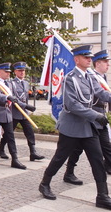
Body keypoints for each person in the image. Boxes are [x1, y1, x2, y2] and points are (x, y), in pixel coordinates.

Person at [39, 45, 111, 210]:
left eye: (90, 57)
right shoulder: (70, 78)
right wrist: (96, 115)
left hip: (87, 127)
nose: (89, 60)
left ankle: (102, 196)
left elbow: (101, 93)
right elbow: (72, 105)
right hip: (72, 126)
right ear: (76, 59)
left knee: (97, 160)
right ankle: (44, 183)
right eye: (86, 57)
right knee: (60, 157)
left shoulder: (90, 77)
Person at [63, 49, 111, 186]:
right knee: (75, 149)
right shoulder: (87, 76)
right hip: (89, 116)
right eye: (105, 62)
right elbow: (76, 103)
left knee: (103, 147)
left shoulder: (99, 77)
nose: (108, 65)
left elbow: (103, 93)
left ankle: (102, 189)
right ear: (98, 63)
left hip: (98, 116)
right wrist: (95, 115)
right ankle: (67, 173)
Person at [0, 62, 44, 161]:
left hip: (24, 114)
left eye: (23, 70)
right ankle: (1, 149)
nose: (22, 72)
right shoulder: (11, 83)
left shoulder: (26, 83)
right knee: (8, 134)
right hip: (14, 113)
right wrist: (26, 106)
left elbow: (25, 97)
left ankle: (33, 152)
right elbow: (14, 99)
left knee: (29, 132)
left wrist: (26, 107)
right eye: (19, 70)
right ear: (15, 72)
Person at [0, 63, 26, 169]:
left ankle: (15, 159)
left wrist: (26, 106)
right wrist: (7, 96)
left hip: (7, 113)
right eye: (6, 72)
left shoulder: (9, 84)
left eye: (9, 72)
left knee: (10, 136)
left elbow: (14, 98)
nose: (8, 74)